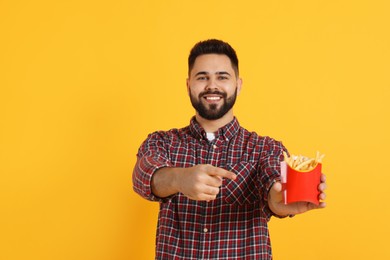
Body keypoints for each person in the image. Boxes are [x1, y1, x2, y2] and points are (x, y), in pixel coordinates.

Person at [132, 39, 327, 259]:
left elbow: (272, 184)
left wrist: (279, 198)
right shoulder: (163, 142)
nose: (212, 86)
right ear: (188, 86)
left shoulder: (265, 148)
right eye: (202, 77)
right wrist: (179, 178)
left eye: (222, 77)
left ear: (238, 85)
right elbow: (142, 176)